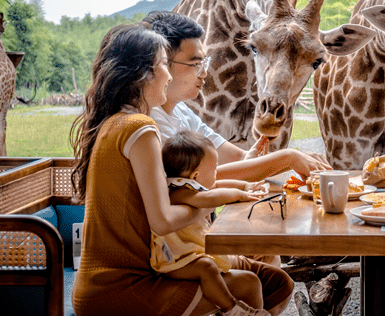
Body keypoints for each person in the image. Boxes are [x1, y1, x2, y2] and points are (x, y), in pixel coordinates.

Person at [70, 24, 265, 316]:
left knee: (250, 280)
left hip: (101, 283)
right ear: (143, 75)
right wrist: (213, 201)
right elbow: (162, 220)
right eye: (163, 65)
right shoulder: (140, 127)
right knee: (248, 285)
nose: (169, 75)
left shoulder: (114, 122)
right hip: (120, 288)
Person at [142, 11, 331, 181]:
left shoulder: (181, 111)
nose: (204, 73)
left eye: (205, 63)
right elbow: (193, 183)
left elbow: (239, 159)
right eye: (196, 64)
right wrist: (288, 158)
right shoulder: (152, 121)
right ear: (162, 63)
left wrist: (278, 159)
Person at [152, 130, 294, 316]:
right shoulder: (177, 192)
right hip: (175, 262)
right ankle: (231, 308)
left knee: (213, 265)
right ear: (195, 176)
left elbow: (216, 184)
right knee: (206, 268)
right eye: (213, 170)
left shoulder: (189, 183)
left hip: (191, 252)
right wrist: (239, 195)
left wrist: (245, 186)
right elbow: (210, 196)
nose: (216, 174)